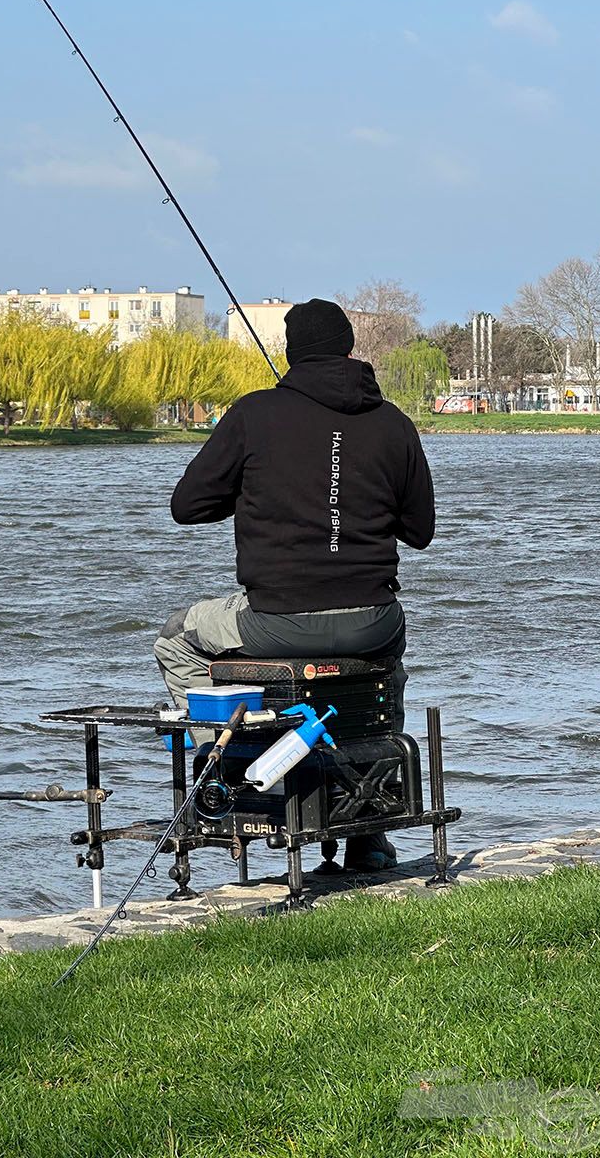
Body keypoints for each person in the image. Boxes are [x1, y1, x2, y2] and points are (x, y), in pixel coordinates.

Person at [153, 298, 435, 871]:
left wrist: (255, 489)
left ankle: (221, 773)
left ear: (289, 353)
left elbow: (188, 505)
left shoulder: (254, 414)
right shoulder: (394, 423)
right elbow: (420, 531)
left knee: (178, 636)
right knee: (384, 678)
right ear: (351, 349)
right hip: (371, 623)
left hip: (274, 622)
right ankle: (370, 833)